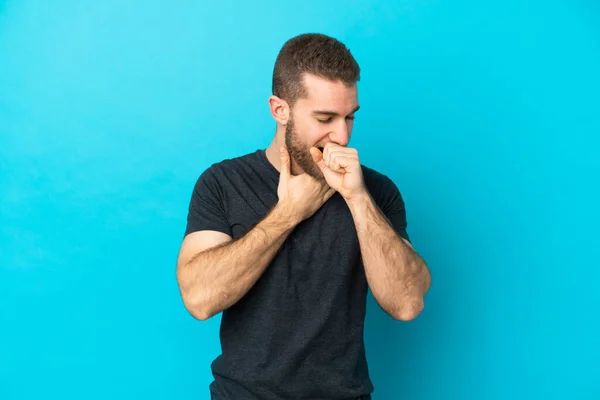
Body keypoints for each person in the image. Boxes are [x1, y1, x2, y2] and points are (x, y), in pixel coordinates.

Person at [176, 33, 431, 400]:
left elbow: (407, 304)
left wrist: (358, 199)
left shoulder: (377, 191)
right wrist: (287, 214)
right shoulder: (222, 183)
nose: (341, 136)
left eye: (349, 117)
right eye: (325, 118)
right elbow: (199, 300)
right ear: (280, 110)